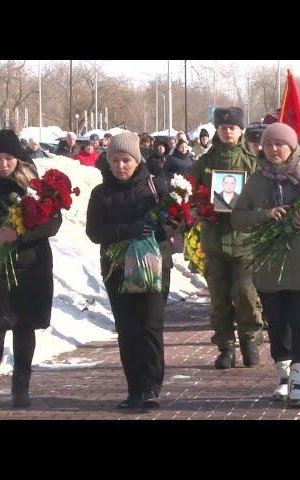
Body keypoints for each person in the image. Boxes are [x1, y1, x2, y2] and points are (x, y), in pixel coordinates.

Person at [232, 123, 300, 408]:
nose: (274, 149)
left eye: (280, 144)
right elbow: (238, 217)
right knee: (277, 323)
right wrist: (264, 215)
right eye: (268, 145)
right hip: (271, 265)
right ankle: (284, 376)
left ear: (292, 147)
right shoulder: (256, 181)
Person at [86, 132, 174, 409]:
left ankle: (150, 387)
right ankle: (134, 388)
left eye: (126, 160)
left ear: (137, 160)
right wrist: (125, 231)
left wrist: (164, 226)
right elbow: (94, 231)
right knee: (127, 328)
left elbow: (176, 221)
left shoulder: (155, 187)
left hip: (152, 265)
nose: (120, 166)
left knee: (149, 325)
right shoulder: (100, 193)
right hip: (117, 267)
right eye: (115, 161)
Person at [0, 130, 62, 413]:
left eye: (9, 158)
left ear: (18, 160)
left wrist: (18, 236)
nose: (4, 164)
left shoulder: (35, 189)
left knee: (23, 325)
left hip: (30, 265)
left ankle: (21, 386)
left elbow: (52, 223)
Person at [189, 107, 263, 369]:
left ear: (241, 130)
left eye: (232, 127)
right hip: (215, 238)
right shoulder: (205, 163)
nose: (228, 131)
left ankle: (249, 339)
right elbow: (189, 191)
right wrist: (198, 208)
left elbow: (262, 197)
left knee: (245, 293)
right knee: (219, 298)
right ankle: (225, 347)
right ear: (216, 130)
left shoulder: (253, 162)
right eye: (223, 127)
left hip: (245, 241)